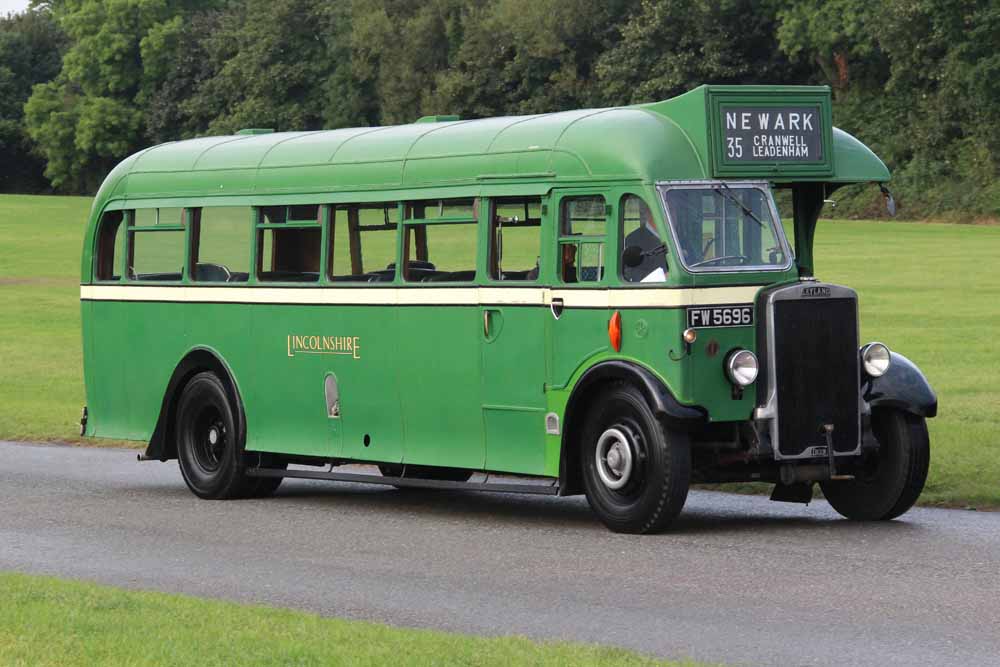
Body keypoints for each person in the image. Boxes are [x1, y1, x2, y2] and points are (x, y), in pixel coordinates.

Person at [623, 199, 667, 282]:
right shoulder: (633, 239)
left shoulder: (678, 237)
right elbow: (630, 274)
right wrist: (662, 277)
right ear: (649, 212)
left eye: (673, 210)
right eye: (666, 211)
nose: (672, 215)